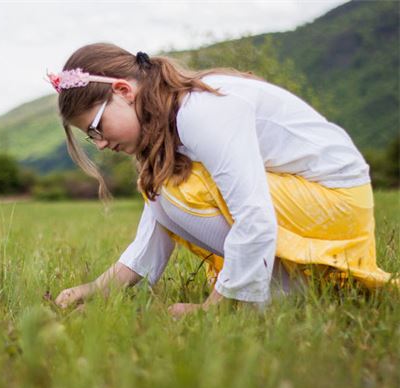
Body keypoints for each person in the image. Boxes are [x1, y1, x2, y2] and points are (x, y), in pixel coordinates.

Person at [46, 42, 396, 317]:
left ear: (123, 90)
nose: (102, 144)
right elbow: (156, 225)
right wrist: (99, 287)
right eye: (92, 138)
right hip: (318, 203)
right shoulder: (174, 119)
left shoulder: (200, 112)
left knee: (172, 187)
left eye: (96, 128)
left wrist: (216, 308)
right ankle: (290, 285)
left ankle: (273, 289)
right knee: (162, 186)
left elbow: (253, 214)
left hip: (335, 201)